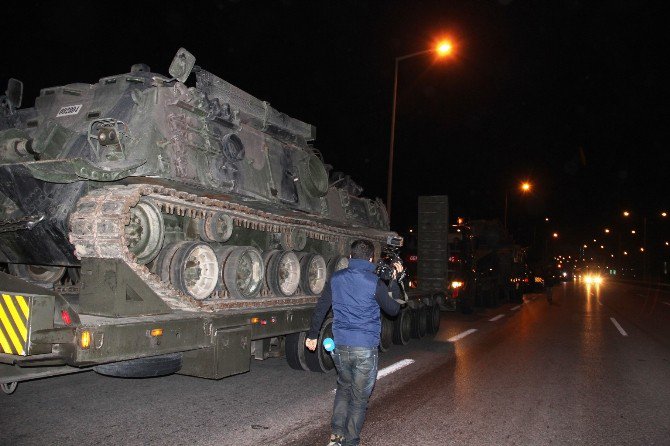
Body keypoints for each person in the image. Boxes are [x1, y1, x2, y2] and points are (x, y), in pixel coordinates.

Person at [306, 239, 405, 446]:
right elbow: (394, 310)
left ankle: (336, 436)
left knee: (344, 388)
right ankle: (351, 442)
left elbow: (322, 307)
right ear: (371, 259)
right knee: (359, 399)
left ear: (350, 257)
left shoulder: (336, 278)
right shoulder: (374, 282)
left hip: (341, 345)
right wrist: (394, 281)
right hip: (365, 348)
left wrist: (313, 334)